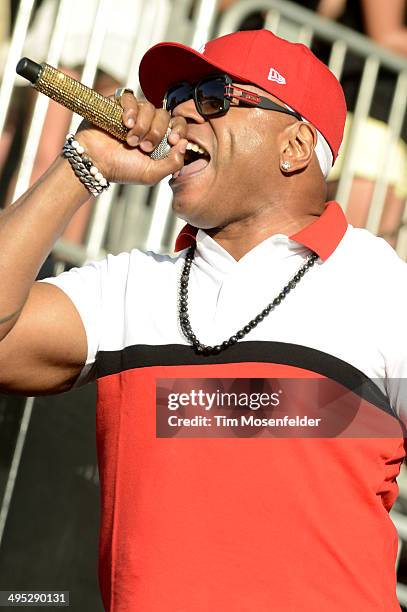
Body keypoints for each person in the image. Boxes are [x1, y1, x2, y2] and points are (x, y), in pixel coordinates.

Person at [0, 29, 406, 611]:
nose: (181, 113)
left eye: (214, 96)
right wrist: (80, 165)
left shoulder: (382, 285)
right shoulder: (132, 284)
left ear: (294, 147)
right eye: (175, 98)